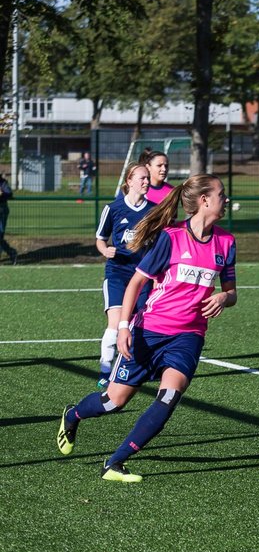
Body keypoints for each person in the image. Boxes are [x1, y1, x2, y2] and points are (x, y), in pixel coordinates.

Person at [56, 174, 237, 483]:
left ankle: (114, 463)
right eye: (222, 194)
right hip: (149, 330)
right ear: (204, 200)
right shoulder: (172, 237)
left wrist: (224, 296)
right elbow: (137, 282)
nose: (227, 199)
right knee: (113, 402)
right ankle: (73, 415)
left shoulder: (227, 242)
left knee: (169, 397)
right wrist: (124, 327)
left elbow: (232, 292)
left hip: (188, 336)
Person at [93, 162, 157, 386]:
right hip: (118, 272)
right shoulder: (113, 209)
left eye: (148, 178)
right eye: (142, 178)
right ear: (129, 181)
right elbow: (100, 239)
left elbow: (160, 242)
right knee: (116, 323)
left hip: (142, 276)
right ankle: (104, 369)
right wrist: (105, 250)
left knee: (137, 323)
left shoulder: (154, 211)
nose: (146, 182)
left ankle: (137, 366)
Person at [0, 171, 17, 264]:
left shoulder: (3, 183)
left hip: (1, 211)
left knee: (0, 234)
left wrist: (2, 194)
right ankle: (12, 253)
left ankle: (12, 253)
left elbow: (9, 193)